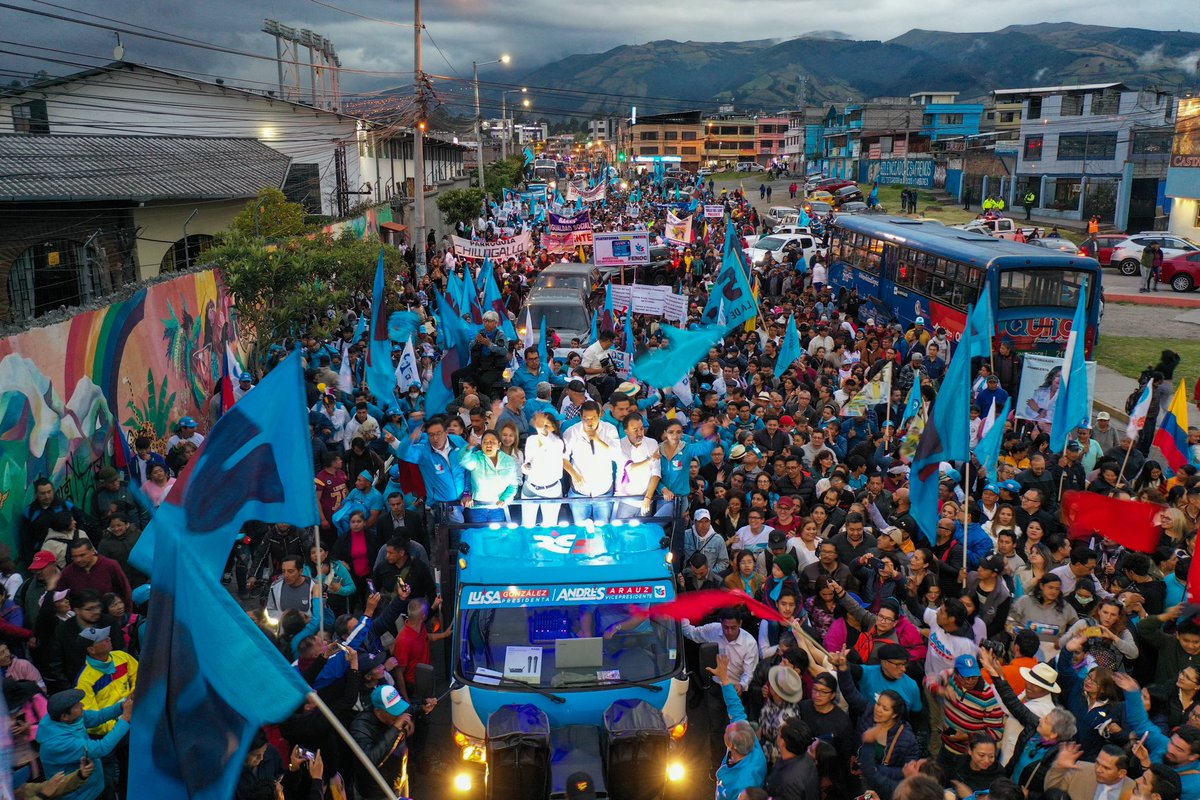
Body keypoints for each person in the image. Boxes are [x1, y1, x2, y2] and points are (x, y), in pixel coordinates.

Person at [36, 689, 132, 800]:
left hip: (96, 785)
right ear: (65, 716)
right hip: (81, 795)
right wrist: (125, 719)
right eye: (77, 706)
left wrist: (122, 706)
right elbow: (101, 748)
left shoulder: (69, 718)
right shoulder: (58, 744)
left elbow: (98, 717)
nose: (82, 705)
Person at [707, 653, 768, 800]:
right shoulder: (747, 736)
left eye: (726, 732)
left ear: (731, 744)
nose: (728, 727)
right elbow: (735, 709)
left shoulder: (744, 787)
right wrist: (724, 678)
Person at [683, 608, 759, 694]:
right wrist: (679, 615)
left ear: (740, 624)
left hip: (735, 688)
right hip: (715, 685)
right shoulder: (713, 629)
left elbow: (749, 672)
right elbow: (691, 633)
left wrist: (742, 685)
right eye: (725, 627)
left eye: (733, 628)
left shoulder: (750, 643)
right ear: (721, 622)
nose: (729, 632)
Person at [1045, 742, 1134, 800]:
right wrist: (1059, 768)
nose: (1098, 769)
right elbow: (1051, 793)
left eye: (1106, 768)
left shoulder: (1134, 790)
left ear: (1121, 773)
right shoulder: (1080, 769)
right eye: (1097, 763)